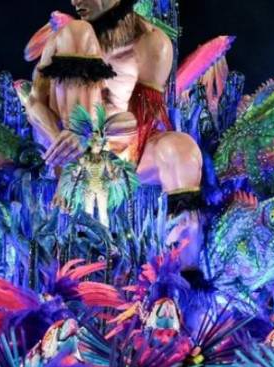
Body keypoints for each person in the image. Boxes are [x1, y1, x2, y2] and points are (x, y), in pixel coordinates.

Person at [24, 0, 206, 276]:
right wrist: (62, 136)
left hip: (121, 152)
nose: (75, 1)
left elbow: (141, 120)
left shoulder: (151, 44)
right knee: (79, 32)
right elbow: (34, 103)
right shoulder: (68, 37)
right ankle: (75, 179)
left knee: (182, 149)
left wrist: (104, 135)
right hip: (64, 155)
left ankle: (184, 277)